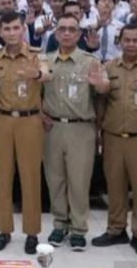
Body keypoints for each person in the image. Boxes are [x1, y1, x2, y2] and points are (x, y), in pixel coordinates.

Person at [92, 24, 137, 257]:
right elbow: (102, 101)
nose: (131, 44)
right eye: (127, 40)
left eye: (135, 40)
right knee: (115, 186)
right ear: (119, 42)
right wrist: (98, 131)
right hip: (112, 136)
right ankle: (116, 229)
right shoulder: (109, 68)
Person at [0, 11, 49, 255]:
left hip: (29, 121)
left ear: (23, 29)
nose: (11, 33)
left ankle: (32, 232)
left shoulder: (35, 55)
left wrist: (38, 75)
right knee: (3, 177)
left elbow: (46, 74)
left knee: (30, 177)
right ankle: (4, 229)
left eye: (15, 28)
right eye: (6, 28)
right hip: (2, 121)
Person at [41, 15, 103, 251]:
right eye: (62, 29)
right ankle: (59, 224)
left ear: (79, 35)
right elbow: (34, 93)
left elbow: (102, 93)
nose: (66, 33)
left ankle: (78, 228)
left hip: (81, 128)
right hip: (53, 127)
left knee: (79, 181)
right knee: (55, 179)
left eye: (72, 30)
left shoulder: (90, 62)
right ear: (56, 34)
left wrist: (101, 84)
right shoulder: (45, 62)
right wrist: (39, 114)